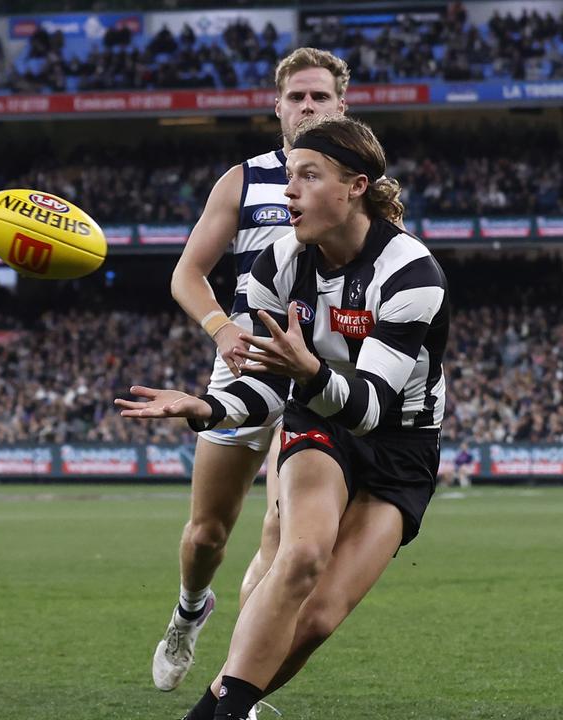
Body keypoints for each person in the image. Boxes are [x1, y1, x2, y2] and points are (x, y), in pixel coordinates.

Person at [119, 114, 449, 720]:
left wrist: (308, 373)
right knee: (299, 556)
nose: (289, 190)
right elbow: (268, 388)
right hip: (320, 421)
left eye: (308, 176)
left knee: (320, 617)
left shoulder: (411, 272)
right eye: (288, 175)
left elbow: (373, 408)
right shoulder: (277, 261)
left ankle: (220, 704)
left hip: (400, 442)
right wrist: (208, 408)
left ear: (355, 186)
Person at [152, 47, 352, 693]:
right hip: (243, 367)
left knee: (284, 540)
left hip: (318, 379)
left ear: (341, 106)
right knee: (209, 533)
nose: (309, 106)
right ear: (278, 107)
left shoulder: (359, 187)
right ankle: (189, 610)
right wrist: (222, 327)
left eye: (320, 97)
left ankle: (235, 687)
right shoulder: (243, 180)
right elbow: (187, 273)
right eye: (297, 97)